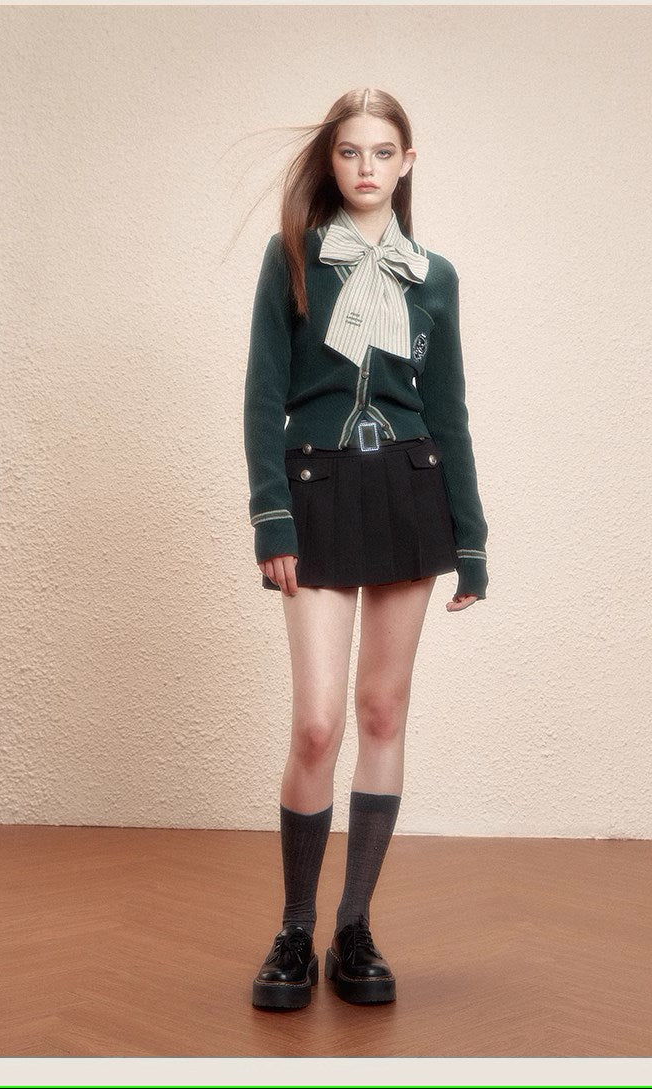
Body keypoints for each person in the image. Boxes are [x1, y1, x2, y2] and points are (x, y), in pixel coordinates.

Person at [243, 88, 489, 1011]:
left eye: (383, 152)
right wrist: (271, 517)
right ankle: (294, 930)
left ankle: (354, 928)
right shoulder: (294, 258)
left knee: (383, 711)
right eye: (350, 152)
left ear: (406, 163)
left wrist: (472, 539)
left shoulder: (436, 277)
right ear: (332, 161)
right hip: (315, 493)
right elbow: (262, 395)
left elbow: (450, 413)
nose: (366, 168)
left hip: (409, 492)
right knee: (318, 722)